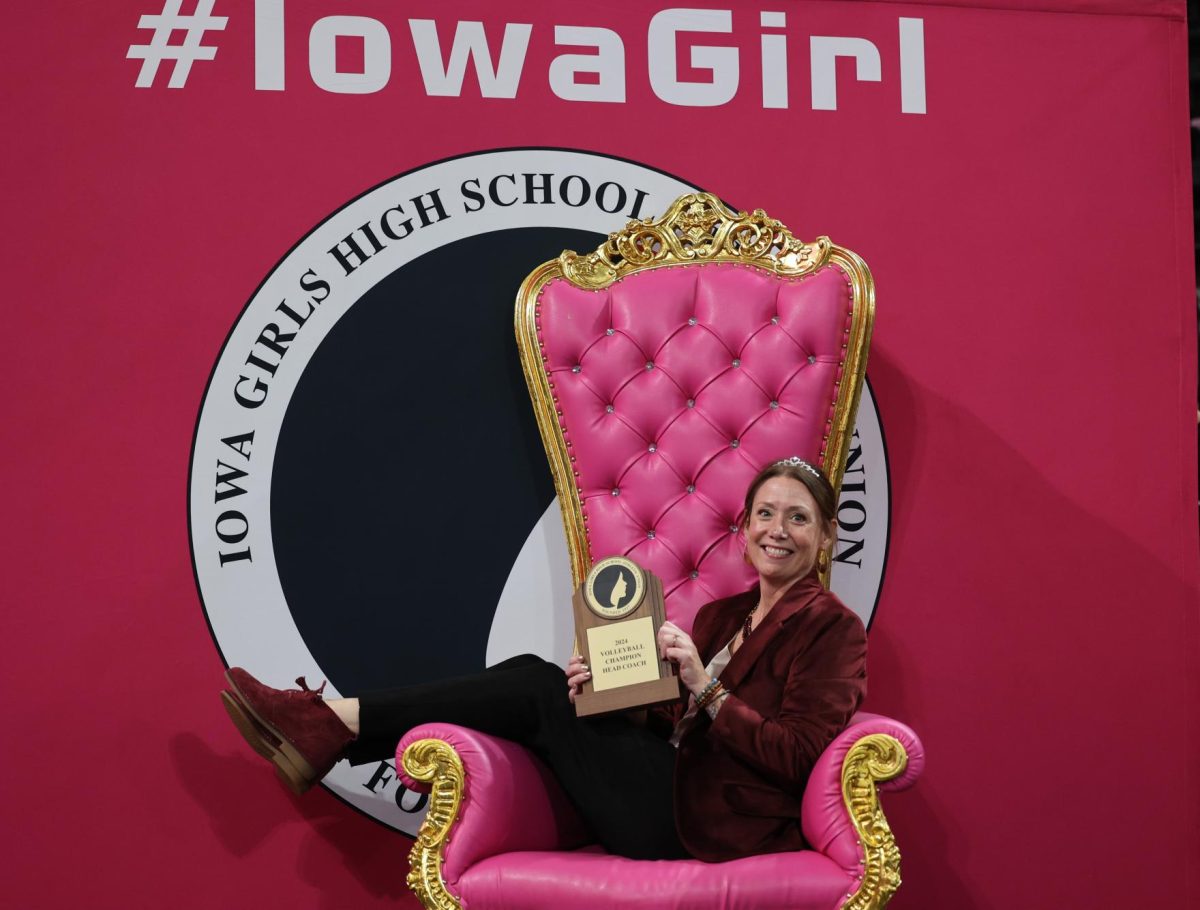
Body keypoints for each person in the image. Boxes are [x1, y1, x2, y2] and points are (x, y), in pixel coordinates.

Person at [220, 457, 867, 862]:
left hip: (707, 824)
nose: (776, 529)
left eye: (798, 517)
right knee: (544, 677)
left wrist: (709, 689)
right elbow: (675, 721)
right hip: (661, 784)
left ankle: (335, 724)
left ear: (826, 534)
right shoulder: (720, 616)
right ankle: (330, 729)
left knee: (533, 684)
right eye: (764, 513)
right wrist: (618, 694)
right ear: (747, 526)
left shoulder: (831, 627)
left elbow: (802, 756)